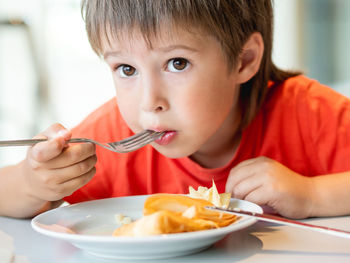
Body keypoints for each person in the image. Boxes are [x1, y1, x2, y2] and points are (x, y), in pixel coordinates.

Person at [1, 0, 350, 220]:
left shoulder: (310, 114)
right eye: (126, 69)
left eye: (177, 63)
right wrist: (34, 183)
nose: (149, 100)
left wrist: (312, 195)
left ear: (244, 60)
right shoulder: (114, 140)